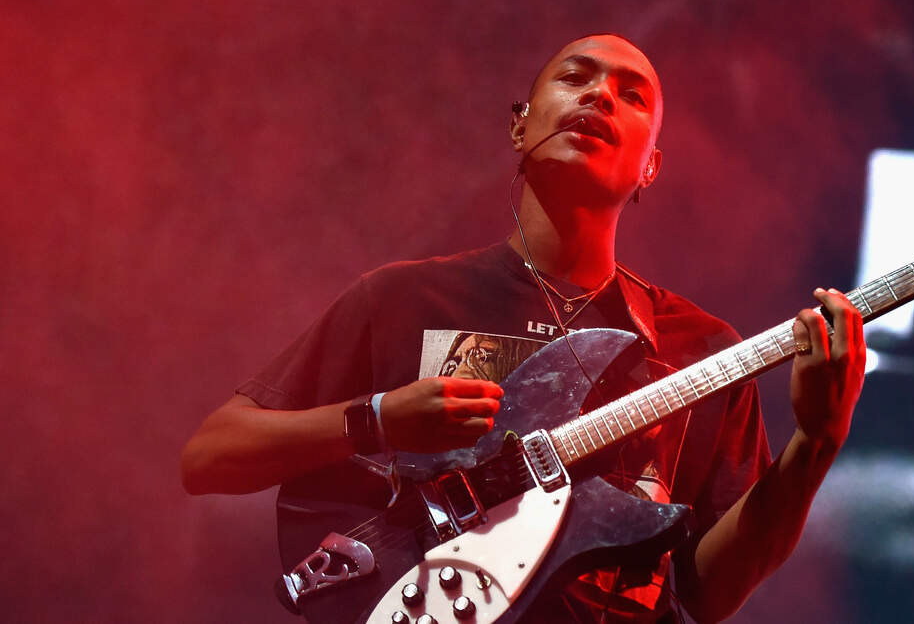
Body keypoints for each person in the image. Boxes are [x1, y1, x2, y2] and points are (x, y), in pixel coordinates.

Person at [180, 33, 867, 623]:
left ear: (650, 167)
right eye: (576, 77)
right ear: (520, 127)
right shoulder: (400, 298)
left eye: (631, 95)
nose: (599, 96)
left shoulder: (701, 349)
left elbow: (704, 593)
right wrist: (379, 418)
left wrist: (816, 443)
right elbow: (210, 455)